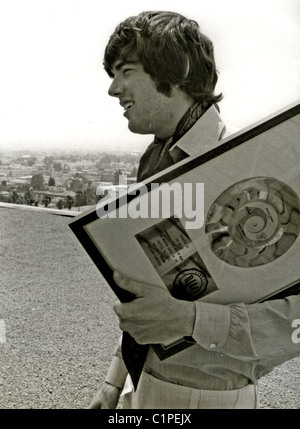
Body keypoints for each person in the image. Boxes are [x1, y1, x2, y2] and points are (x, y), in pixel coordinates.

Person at [89, 11, 300, 409]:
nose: (113, 89)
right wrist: (114, 382)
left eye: (126, 70)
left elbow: (296, 322)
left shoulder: (256, 169)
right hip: (143, 383)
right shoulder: (155, 160)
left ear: (178, 70)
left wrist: (191, 321)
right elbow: (148, 290)